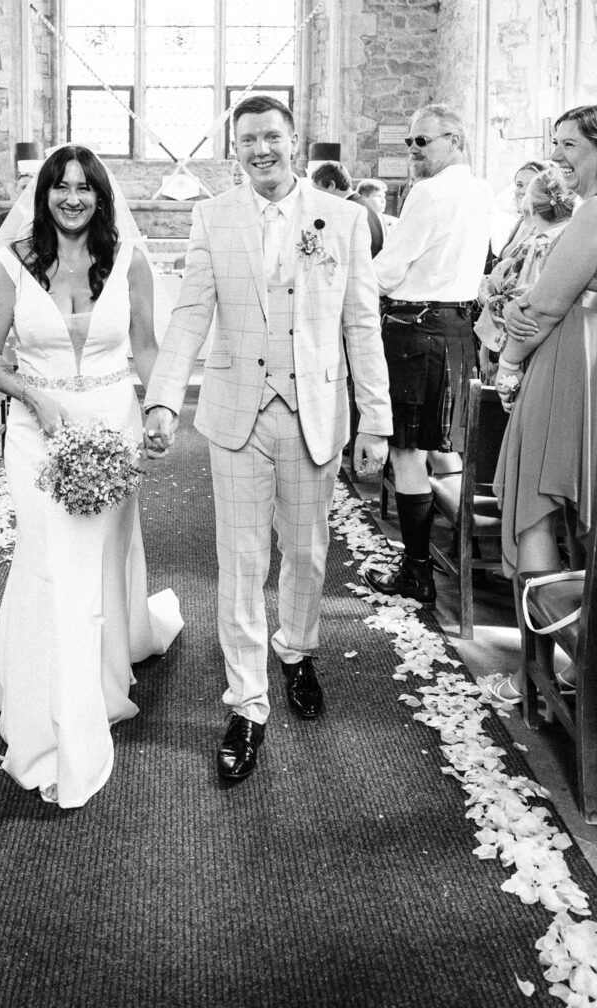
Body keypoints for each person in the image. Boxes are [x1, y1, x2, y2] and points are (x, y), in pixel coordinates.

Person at [144, 94, 391, 783]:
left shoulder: (341, 220)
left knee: (307, 555)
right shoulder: (211, 216)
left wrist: (376, 418)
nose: (261, 150)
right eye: (247, 139)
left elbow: (360, 325)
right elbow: (192, 313)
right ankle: (246, 706)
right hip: (235, 413)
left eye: (271, 137)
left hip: (312, 409)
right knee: (241, 561)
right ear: (235, 150)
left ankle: (297, 649)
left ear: (294, 141)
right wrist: (162, 398)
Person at [0, 144, 183, 809]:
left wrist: (157, 406)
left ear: (100, 195)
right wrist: (36, 399)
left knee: (95, 563)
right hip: (38, 432)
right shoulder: (11, 264)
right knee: (49, 565)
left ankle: (100, 671)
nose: (71, 198)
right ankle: (54, 724)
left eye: (83, 187)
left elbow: (147, 345)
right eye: (59, 187)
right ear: (43, 196)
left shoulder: (129, 262)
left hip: (111, 425)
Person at [489, 105, 597, 705]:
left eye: (570, 147)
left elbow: (546, 307)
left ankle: (538, 673)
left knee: (537, 503)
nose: (560, 161)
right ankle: (583, 661)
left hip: (566, 358)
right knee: (593, 513)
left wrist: (507, 359)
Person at [363, 103, 492, 608]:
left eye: (423, 141)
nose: (413, 151)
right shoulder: (479, 190)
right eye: (410, 142)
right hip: (457, 331)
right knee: (447, 448)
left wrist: (344, 283)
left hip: (416, 333)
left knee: (407, 451)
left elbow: (389, 269)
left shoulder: (430, 192)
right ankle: (465, 555)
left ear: (455, 138)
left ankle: (417, 571)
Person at [474, 164, 577, 377]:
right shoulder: (571, 234)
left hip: (525, 350)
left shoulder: (537, 244)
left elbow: (522, 307)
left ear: (533, 204)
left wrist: (484, 296)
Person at [311, 159, 384, 257]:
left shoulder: (347, 212)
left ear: (331, 185)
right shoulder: (364, 205)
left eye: (319, 191)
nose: (317, 199)